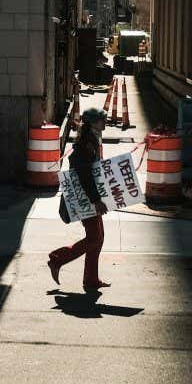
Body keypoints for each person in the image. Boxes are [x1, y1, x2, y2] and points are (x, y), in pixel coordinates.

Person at [48, 107, 110, 292]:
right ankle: (57, 259)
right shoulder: (86, 144)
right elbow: (85, 175)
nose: (104, 122)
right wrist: (96, 200)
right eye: (101, 119)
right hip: (86, 198)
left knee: (98, 238)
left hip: (89, 196)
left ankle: (91, 279)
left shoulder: (92, 139)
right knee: (95, 238)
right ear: (93, 122)